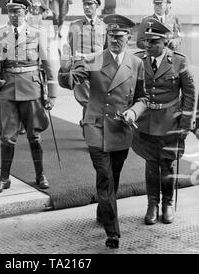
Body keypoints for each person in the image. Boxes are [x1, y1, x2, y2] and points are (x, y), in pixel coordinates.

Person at [58, 14, 148, 249]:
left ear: (129, 38)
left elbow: (143, 97)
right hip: (97, 126)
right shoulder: (94, 60)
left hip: (121, 129)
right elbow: (69, 82)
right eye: (110, 36)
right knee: (105, 176)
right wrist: (65, 67)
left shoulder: (137, 64)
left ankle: (103, 211)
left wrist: (134, 112)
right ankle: (113, 232)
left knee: (113, 176)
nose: (114, 41)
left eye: (119, 37)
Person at [0, 0, 57, 194]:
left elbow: (46, 64)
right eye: (10, 11)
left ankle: (40, 174)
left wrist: (52, 94)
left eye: (17, 11)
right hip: (8, 89)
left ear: (26, 11)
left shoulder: (37, 33)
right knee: (7, 137)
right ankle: (4, 178)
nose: (13, 15)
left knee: (34, 135)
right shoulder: (1, 33)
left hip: (31, 88)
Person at [132, 18, 196, 226]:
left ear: (164, 41)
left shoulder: (179, 61)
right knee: (151, 163)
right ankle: (152, 204)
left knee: (167, 162)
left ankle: (168, 204)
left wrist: (185, 123)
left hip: (170, 120)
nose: (148, 46)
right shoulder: (139, 60)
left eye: (153, 42)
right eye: (146, 41)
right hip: (147, 120)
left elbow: (189, 93)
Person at [67, 0, 106, 128]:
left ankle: (86, 123)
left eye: (90, 4)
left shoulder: (104, 26)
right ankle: (89, 126)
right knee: (87, 100)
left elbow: (107, 49)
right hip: (82, 68)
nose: (87, 7)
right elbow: (70, 48)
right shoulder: (75, 26)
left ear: (97, 6)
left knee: (97, 100)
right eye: (84, 4)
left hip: (100, 69)